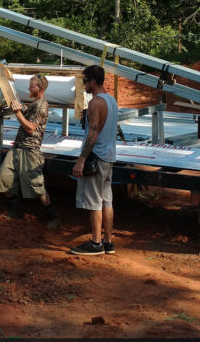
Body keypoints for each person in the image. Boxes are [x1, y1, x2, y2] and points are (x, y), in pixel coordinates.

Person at [0, 74, 60, 229]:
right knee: (5, 178)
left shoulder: (41, 105)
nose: (29, 88)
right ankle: (15, 211)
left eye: (32, 86)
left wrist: (18, 113)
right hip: (17, 148)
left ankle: (53, 218)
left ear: (41, 88)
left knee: (37, 186)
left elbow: (30, 128)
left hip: (30, 150)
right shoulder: (34, 104)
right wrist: (22, 110)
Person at [70, 64, 118, 256]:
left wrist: (81, 160)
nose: (83, 85)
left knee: (94, 203)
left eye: (84, 81)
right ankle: (108, 242)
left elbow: (93, 134)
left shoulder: (95, 103)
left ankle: (96, 243)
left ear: (92, 82)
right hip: (108, 158)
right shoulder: (111, 101)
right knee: (107, 201)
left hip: (96, 158)